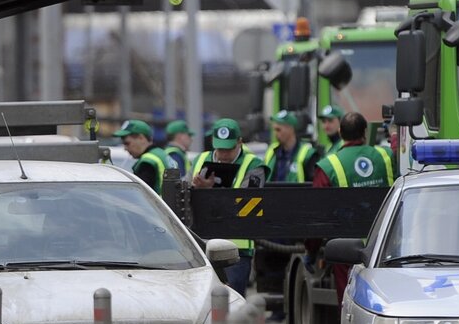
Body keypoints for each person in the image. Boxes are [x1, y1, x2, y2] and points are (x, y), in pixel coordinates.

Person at [312, 111, 397, 310]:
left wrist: (312, 250)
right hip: (386, 244)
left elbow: (317, 212)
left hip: (347, 250)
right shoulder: (385, 156)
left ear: (340, 132)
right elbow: (401, 155)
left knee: (351, 305)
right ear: (365, 132)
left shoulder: (328, 165)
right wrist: (394, 135)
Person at [191, 118, 270, 295]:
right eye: (219, 149)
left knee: (231, 301)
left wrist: (212, 191)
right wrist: (196, 188)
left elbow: (248, 205)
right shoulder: (200, 160)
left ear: (240, 143)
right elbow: (182, 194)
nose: (223, 155)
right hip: (201, 245)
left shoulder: (254, 165)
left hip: (236, 250)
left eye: (228, 149)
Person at [113, 119, 174, 194]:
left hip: (156, 205)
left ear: (141, 138)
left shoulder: (148, 161)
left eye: (127, 143)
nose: (125, 148)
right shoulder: (161, 154)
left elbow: (139, 195)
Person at [263, 109, 316, 183]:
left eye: (278, 130)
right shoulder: (271, 151)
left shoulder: (307, 154)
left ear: (290, 129)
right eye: (274, 130)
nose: (275, 134)